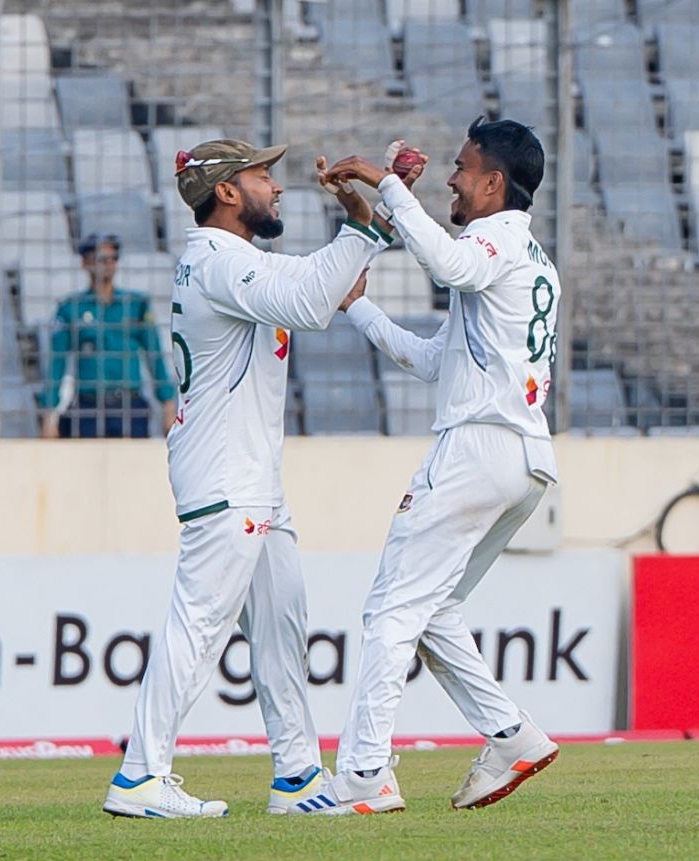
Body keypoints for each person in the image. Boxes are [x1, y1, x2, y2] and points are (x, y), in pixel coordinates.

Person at [102, 138, 392, 819]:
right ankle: (140, 774)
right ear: (227, 192)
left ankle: (296, 775)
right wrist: (364, 220)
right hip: (226, 473)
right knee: (199, 624)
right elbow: (315, 299)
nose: (278, 186)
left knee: (282, 625)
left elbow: (321, 284)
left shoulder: (235, 260)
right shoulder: (217, 260)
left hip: (254, 473)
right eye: (264, 175)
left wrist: (361, 225)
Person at [301, 119, 562, 815]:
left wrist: (383, 180)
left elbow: (450, 263)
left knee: (391, 606)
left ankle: (363, 776)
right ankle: (512, 734)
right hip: (524, 459)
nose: (450, 177)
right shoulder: (530, 260)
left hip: (477, 448)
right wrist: (359, 308)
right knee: (433, 607)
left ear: (493, 182)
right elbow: (432, 360)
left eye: (461, 166)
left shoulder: (494, 241)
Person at [40, 234, 177, 439]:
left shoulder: (135, 305)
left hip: (130, 405)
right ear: (85, 263)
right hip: (88, 406)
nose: (109, 265)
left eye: (113, 259)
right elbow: (57, 363)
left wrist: (167, 404)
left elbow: (154, 355)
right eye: (101, 259)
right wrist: (50, 415)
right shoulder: (71, 309)